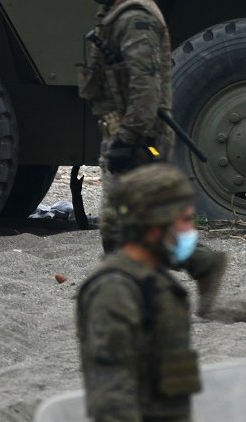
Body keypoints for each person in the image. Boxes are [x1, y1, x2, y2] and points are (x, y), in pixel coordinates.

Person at [76, 0, 227, 309]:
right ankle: (196, 266)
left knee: (123, 225)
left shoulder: (135, 20)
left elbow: (146, 88)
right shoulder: (120, 16)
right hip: (131, 133)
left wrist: (128, 139)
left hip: (140, 137)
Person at [75, 163, 206, 422]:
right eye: (184, 220)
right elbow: (112, 399)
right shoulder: (115, 291)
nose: (191, 231)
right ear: (155, 226)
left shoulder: (154, 280)